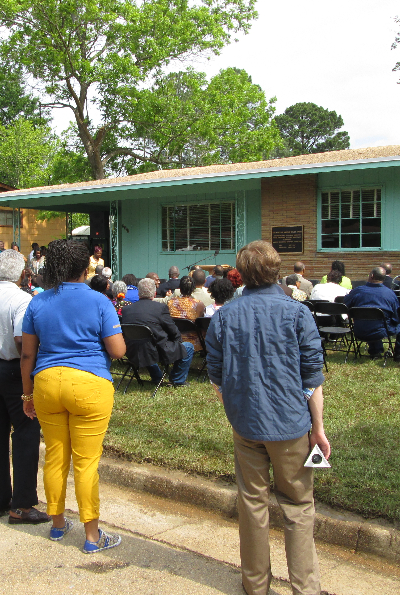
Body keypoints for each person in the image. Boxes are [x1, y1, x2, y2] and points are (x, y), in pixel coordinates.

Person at [206, 240, 328, 595]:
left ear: (241, 274)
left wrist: (237, 407)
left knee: (252, 503)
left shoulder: (225, 315)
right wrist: (317, 428)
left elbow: (217, 376)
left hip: (246, 424)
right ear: (277, 270)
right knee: (298, 505)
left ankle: (255, 584)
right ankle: (306, 587)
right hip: (290, 426)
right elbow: (312, 378)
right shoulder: (297, 312)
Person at [20, 239, 126, 553]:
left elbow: (27, 355)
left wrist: (27, 397)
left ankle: (57, 524)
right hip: (90, 384)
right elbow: (118, 350)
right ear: (85, 268)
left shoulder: (37, 302)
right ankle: (92, 537)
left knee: (55, 456)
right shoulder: (100, 301)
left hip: (47, 384)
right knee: (85, 463)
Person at [0, 250, 50, 525]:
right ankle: (23, 505)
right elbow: (20, 341)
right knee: (26, 434)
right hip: (14, 370)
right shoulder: (22, 300)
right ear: (22, 273)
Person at [121, 278, 195, 387]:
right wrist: (177, 341)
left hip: (132, 350)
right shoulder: (160, 308)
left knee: (146, 345)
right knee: (188, 347)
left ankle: (157, 377)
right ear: (154, 292)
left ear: (139, 292)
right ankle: (177, 380)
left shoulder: (127, 310)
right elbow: (174, 331)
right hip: (155, 351)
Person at [343, 267, 400, 361]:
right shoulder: (390, 294)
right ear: (384, 278)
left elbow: (345, 305)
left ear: (372, 275)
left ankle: (375, 351)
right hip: (381, 331)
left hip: (359, 330)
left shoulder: (357, 291)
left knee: (372, 320)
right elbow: (395, 318)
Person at [167, 276, 205, 352]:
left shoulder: (170, 302)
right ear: (193, 289)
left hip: (174, 339)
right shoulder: (199, 304)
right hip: (194, 341)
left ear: (180, 288)